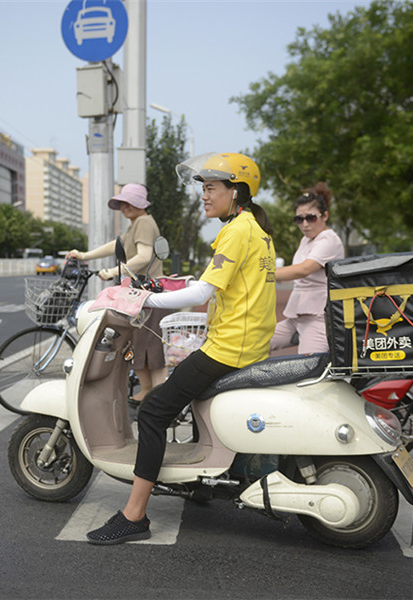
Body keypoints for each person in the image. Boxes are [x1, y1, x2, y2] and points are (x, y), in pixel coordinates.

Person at [86, 152, 276, 544]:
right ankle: (200, 482)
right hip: (248, 344)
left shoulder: (237, 230)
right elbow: (217, 284)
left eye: (211, 189)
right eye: (203, 189)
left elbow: (205, 291)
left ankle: (134, 514)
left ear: (235, 192)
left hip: (229, 349)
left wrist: (141, 300)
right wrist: (164, 287)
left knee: (154, 410)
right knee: (189, 398)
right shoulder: (255, 229)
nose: (204, 197)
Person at [66, 183, 169, 403]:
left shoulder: (143, 222)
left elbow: (143, 256)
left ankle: (157, 396)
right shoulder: (136, 224)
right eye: (122, 203)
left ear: (140, 204)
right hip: (140, 291)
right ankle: (150, 391)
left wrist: (113, 271)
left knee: (147, 344)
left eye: (129, 202)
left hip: (147, 292)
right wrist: (84, 255)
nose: (125, 207)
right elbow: (117, 245)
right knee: (140, 342)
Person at [270, 183, 345, 354]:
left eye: (311, 218)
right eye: (299, 219)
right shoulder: (307, 239)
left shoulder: (329, 240)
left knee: (309, 368)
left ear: (325, 216)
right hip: (295, 317)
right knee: (252, 343)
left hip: (318, 318)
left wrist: (260, 274)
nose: (304, 224)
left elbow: (303, 269)